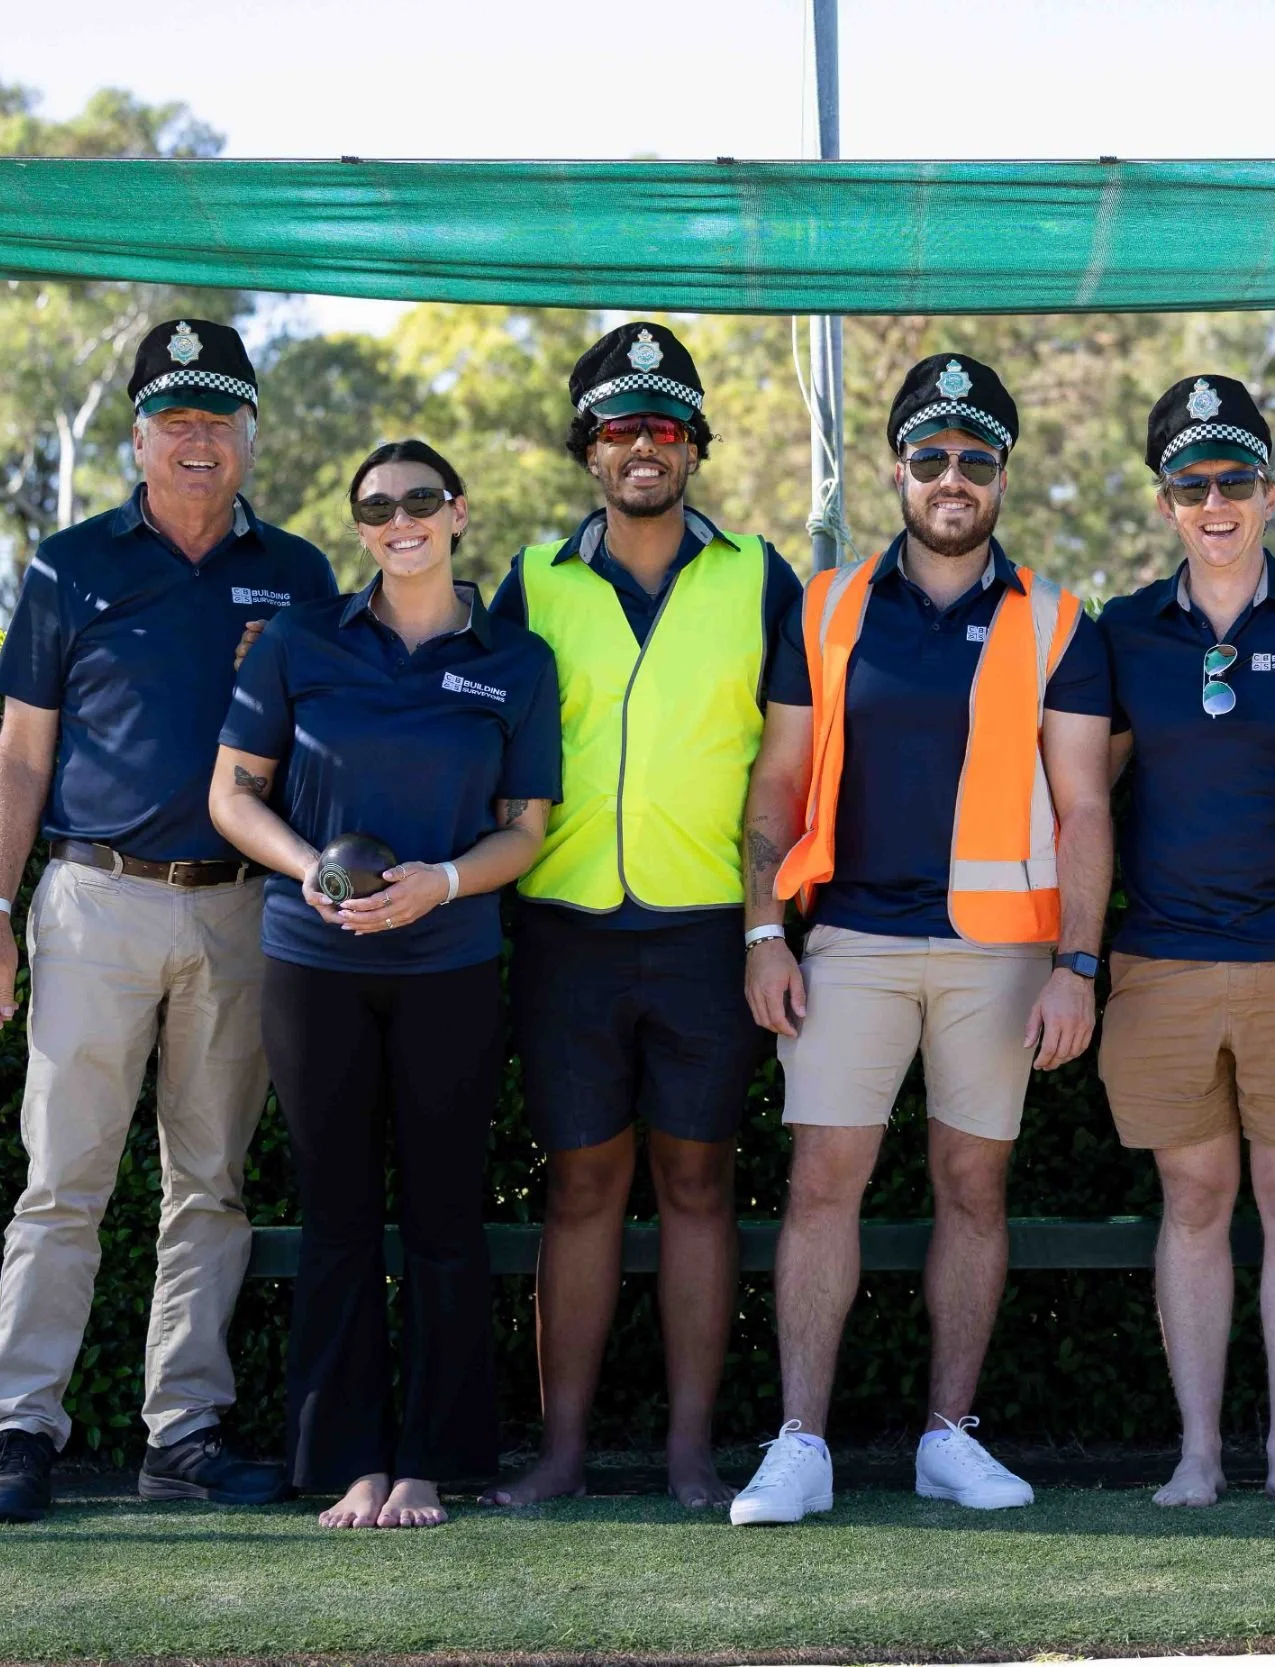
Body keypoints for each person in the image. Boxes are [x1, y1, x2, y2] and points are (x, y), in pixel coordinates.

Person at [0, 319, 335, 1525]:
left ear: (249, 440)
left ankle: (182, 1431)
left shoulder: (303, 576)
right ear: (136, 437)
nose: (197, 439)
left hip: (239, 911)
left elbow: (339, 736)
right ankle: (21, 1432)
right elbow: (22, 752)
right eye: (176, 418)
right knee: (62, 1183)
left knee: (210, 1186)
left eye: (219, 418)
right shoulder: (69, 564)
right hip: (93, 901)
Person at [732, 353, 1113, 1525]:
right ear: (898, 469)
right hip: (848, 938)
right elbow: (778, 782)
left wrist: (1077, 964)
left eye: (975, 460)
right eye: (931, 457)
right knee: (821, 1185)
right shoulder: (828, 604)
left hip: (1002, 954)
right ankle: (800, 1443)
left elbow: (1087, 804)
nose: (953, 478)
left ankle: (949, 1435)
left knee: (972, 1186)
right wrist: (763, 931)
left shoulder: (1057, 618)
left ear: (1001, 475)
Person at [480, 322, 803, 1510]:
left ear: (696, 445)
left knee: (700, 1183)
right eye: (621, 425)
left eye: (665, 424)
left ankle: (686, 1449)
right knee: (577, 1186)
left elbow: (789, 764)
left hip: (707, 931)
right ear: (589, 448)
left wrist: (768, 924)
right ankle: (562, 1449)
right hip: (564, 926)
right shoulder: (529, 579)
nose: (644, 445)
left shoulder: (762, 576)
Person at [210, 439, 558, 1529]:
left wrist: (441, 883)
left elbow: (527, 832)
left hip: (450, 962)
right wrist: (305, 865)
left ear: (458, 512)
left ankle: (431, 1460)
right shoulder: (303, 639)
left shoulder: (516, 658)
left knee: (450, 1215)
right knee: (340, 1215)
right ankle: (347, 1457)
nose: (397, 519)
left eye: (418, 500)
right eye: (375, 506)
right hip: (313, 965)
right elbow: (231, 791)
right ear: (358, 525)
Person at [1095, 375, 1275, 1511]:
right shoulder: (1118, 632)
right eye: (1190, 483)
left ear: (1271, 494)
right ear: (1165, 503)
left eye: (1235, 480)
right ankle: (1199, 1451)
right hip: (1160, 959)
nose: (1215, 502)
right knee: (1193, 1201)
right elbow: (1083, 801)